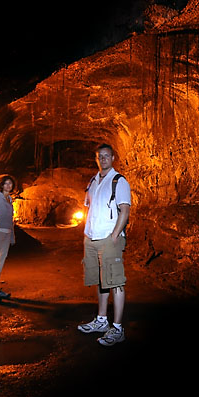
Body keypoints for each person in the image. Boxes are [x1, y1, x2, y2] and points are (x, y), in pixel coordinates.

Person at [77, 144, 131, 346]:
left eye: (107, 156)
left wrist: (115, 235)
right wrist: (86, 233)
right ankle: (101, 320)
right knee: (101, 280)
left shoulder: (119, 181)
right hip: (91, 237)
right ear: (96, 158)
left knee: (115, 281)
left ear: (113, 158)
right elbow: (88, 208)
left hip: (109, 238)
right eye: (100, 156)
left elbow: (124, 210)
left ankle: (117, 328)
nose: (103, 158)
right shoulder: (93, 181)